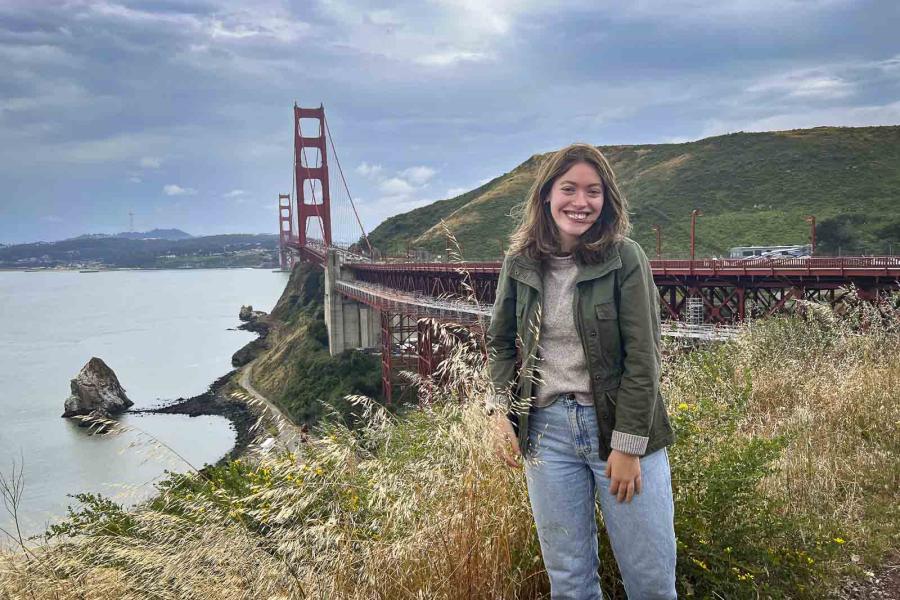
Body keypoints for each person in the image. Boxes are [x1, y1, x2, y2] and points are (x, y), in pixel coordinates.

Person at [485, 143, 677, 599]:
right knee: (570, 582)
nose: (580, 202)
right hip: (546, 434)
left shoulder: (625, 258)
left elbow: (643, 358)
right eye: (568, 188)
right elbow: (499, 342)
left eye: (593, 191)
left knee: (650, 581)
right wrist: (501, 414)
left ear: (606, 200)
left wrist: (628, 445)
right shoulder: (520, 261)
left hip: (620, 430)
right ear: (547, 195)